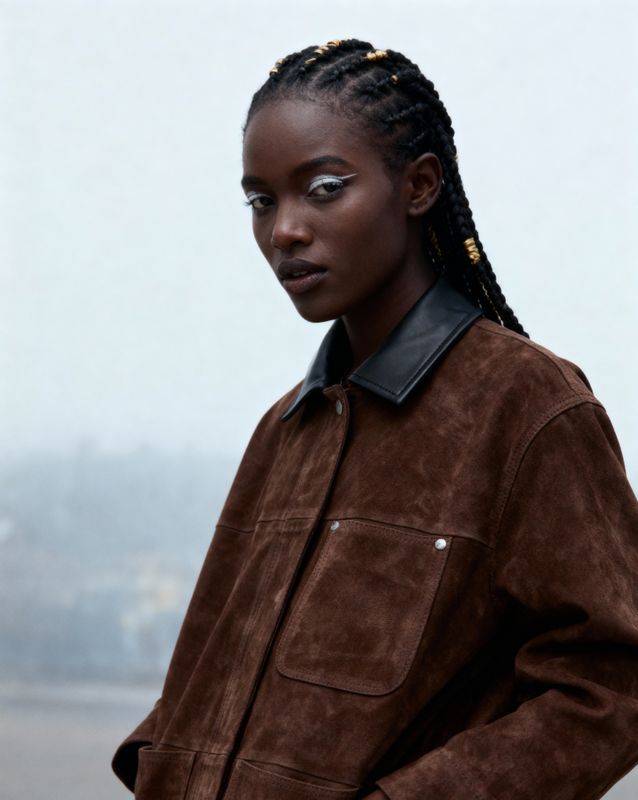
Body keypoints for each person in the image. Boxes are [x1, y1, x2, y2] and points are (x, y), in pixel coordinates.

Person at [111, 39, 638, 799]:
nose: (284, 229)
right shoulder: (285, 429)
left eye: (323, 187)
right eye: (261, 200)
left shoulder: (527, 406)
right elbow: (203, 669)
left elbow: (614, 682)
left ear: (419, 185)